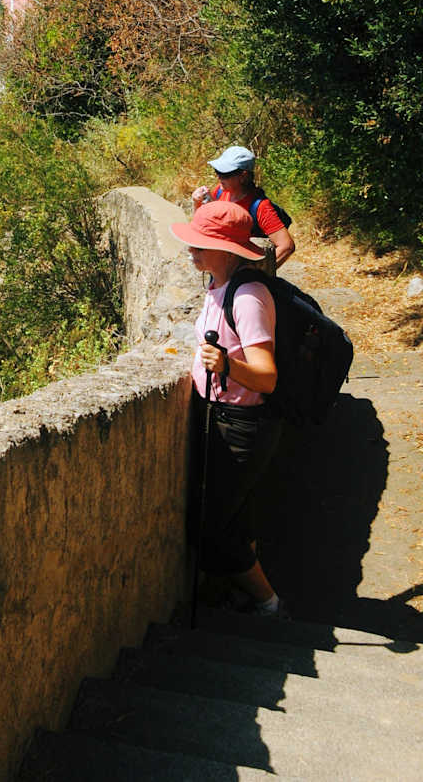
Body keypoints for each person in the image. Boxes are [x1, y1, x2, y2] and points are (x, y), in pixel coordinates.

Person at [172, 198, 286, 616]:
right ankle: (245, 593)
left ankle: (269, 603)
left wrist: (225, 364)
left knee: (212, 525)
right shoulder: (219, 284)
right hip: (223, 418)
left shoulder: (249, 297)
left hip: (241, 426)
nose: (191, 251)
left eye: (200, 245)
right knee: (233, 515)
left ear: (227, 250)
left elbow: (266, 376)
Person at [191, 144, 295, 268]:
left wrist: (258, 274)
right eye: (217, 171)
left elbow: (286, 245)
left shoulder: (260, 207)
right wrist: (197, 203)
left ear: (243, 176)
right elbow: (207, 227)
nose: (219, 177)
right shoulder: (220, 191)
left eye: (224, 174)